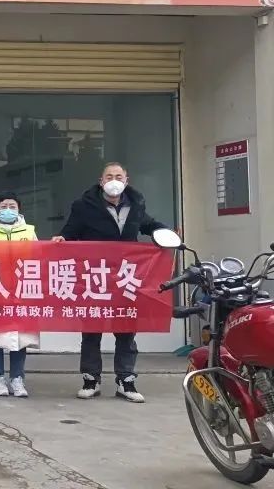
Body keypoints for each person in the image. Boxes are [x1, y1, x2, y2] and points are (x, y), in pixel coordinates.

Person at [52, 162, 168, 404]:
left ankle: (126, 380)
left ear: (126, 180)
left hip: (125, 277)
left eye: (118, 176)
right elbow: (70, 232)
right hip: (95, 277)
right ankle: (90, 379)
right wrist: (62, 239)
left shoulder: (136, 204)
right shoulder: (83, 206)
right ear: (101, 181)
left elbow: (149, 225)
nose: (114, 180)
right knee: (92, 330)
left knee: (126, 330)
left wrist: (167, 234)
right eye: (109, 176)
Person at [0, 192, 39, 399]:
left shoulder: (29, 231)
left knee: (19, 339)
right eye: (4, 206)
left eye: (12, 206)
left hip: (21, 291)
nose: (8, 210)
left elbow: (38, 259)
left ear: (19, 210)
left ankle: (17, 379)